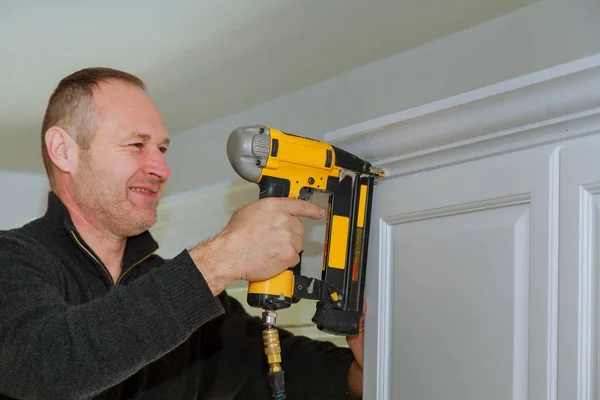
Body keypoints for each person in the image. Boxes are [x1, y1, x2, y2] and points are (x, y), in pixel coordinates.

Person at [0, 67, 364, 400]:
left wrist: (359, 371)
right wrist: (224, 255)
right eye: (136, 144)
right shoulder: (12, 258)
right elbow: (48, 364)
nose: (161, 168)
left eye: (161, 148)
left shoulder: (173, 287)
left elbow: (275, 365)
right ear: (64, 151)